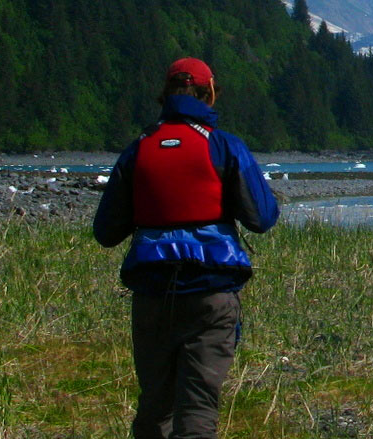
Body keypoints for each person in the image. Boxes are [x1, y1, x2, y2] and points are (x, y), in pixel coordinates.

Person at [94, 57, 280, 439]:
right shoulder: (224, 146)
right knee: (197, 407)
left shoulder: (138, 149)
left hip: (152, 293)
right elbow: (261, 218)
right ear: (209, 93)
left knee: (155, 405)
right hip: (211, 291)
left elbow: (106, 231)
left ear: (165, 95)